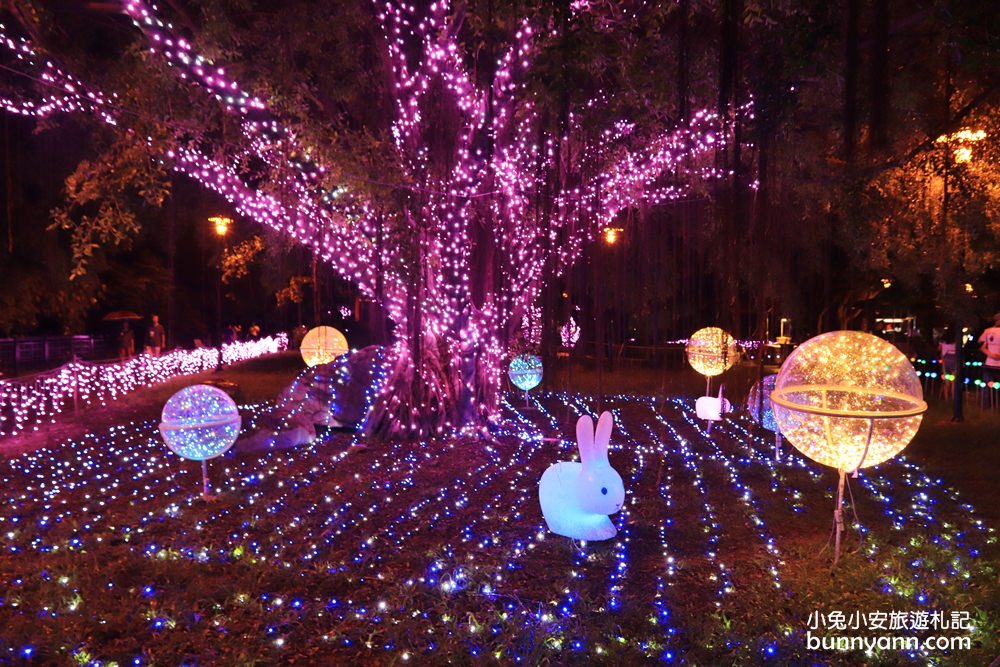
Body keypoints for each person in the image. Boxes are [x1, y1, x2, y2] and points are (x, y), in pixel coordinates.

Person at [938, 327, 957, 400]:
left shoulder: (943, 339)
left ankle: (946, 398)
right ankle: (953, 397)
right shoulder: (956, 339)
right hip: (954, 358)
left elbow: (939, 348)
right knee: (953, 380)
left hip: (945, 358)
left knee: (946, 379)